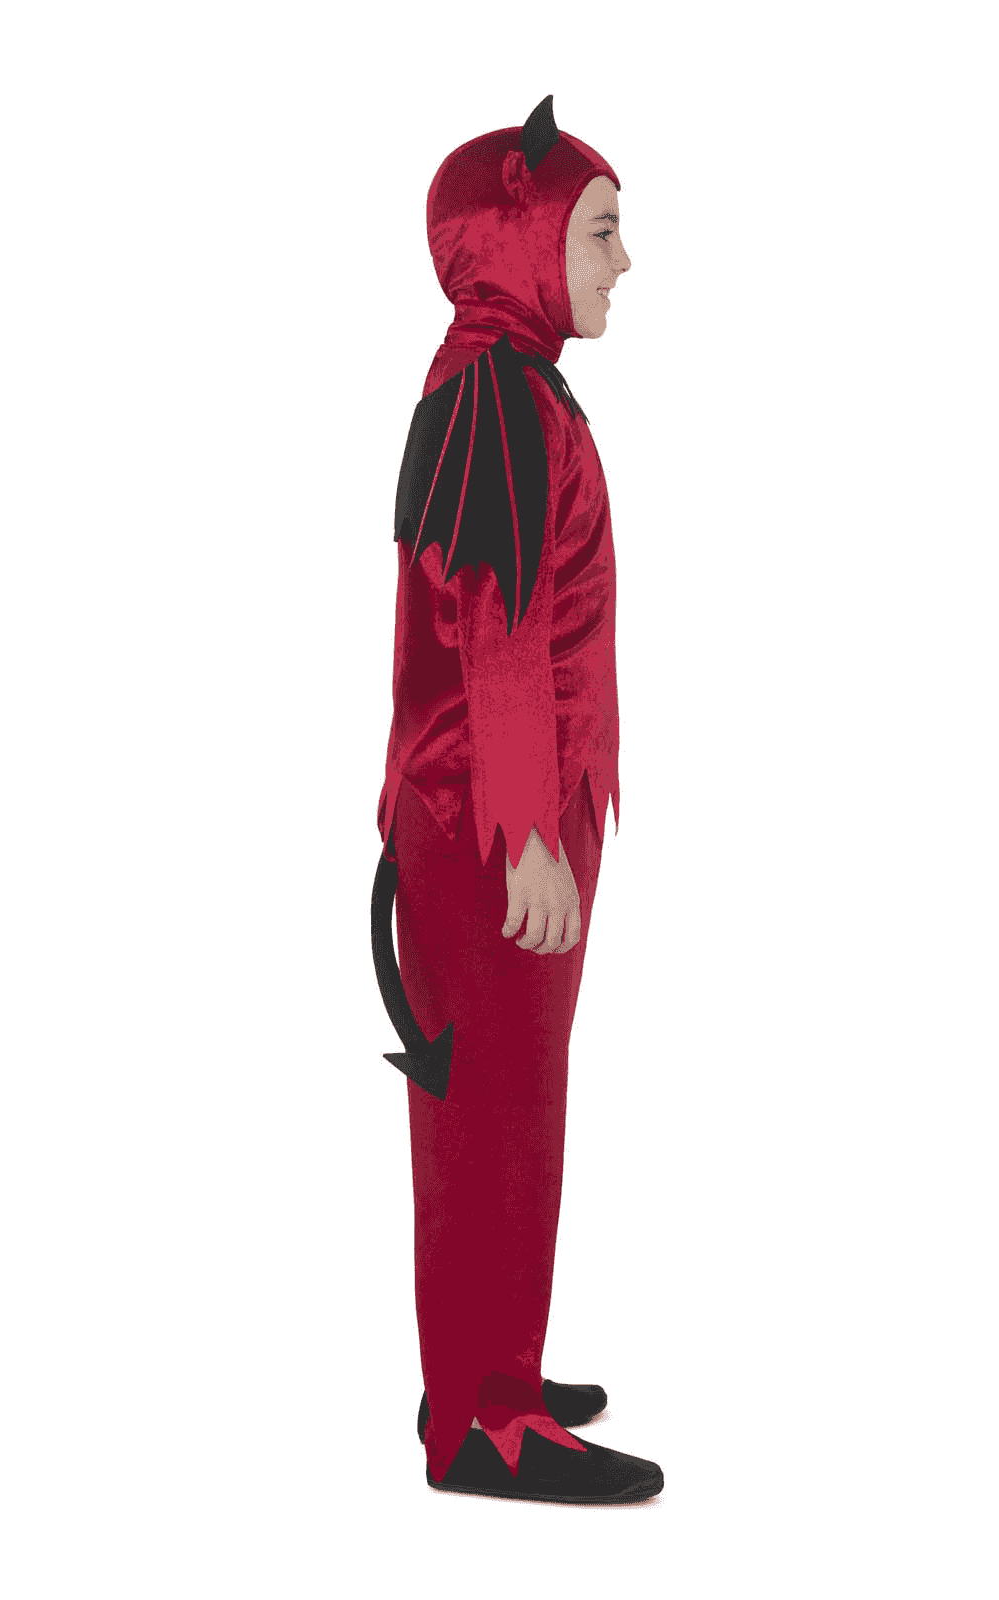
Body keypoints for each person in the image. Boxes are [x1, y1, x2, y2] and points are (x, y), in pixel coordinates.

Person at [374, 96, 661, 1505]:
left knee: (501, 1103)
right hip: (492, 830)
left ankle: (491, 1366)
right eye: (600, 232)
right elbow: (490, 625)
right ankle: (487, 1425)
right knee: (495, 1112)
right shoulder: (494, 393)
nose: (625, 262)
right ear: (521, 242)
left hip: (489, 821)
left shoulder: (509, 385)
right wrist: (530, 835)